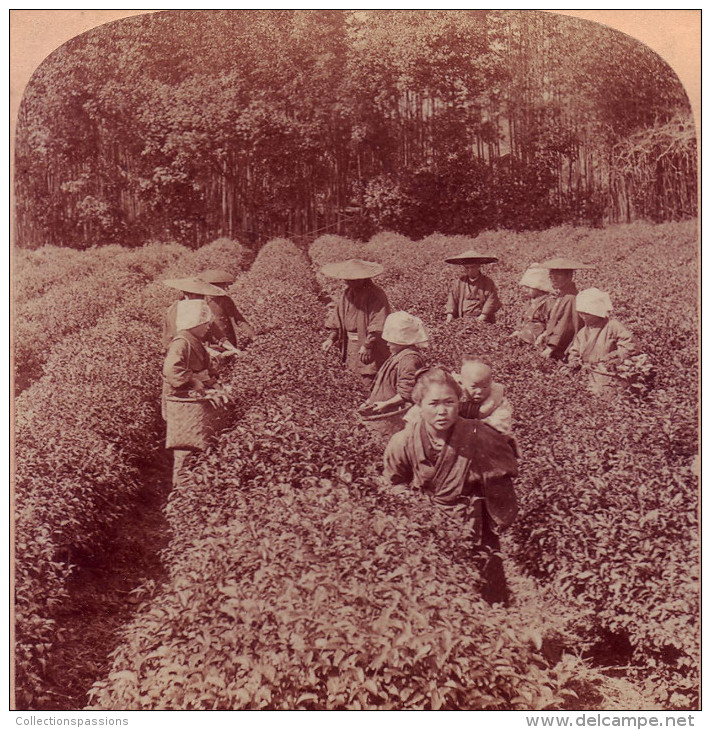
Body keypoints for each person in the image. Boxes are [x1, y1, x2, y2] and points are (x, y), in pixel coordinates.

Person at [383, 367, 518, 605]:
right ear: (420, 405)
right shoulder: (403, 441)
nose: (442, 411)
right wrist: (419, 508)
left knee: (482, 593)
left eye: (450, 402)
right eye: (434, 403)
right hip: (424, 524)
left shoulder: (478, 433)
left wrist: (486, 485)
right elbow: (394, 484)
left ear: (459, 403)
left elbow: (504, 471)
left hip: (473, 525)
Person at [162, 299, 216, 486]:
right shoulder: (182, 342)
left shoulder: (193, 340)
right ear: (194, 323)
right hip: (183, 401)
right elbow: (171, 371)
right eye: (205, 323)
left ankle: (193, 482)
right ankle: (182, 488)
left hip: (191, 400)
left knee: (196, 439)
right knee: (185, 443)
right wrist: (193, 380)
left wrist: (212, 383)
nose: (208, 327)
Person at [357, 311, 428, 440]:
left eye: (392, 341)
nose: (388, 344)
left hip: (394, 415)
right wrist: (369, 401)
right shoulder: (398, 354)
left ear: (403, 340)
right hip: (383, 409)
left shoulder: (409, 359)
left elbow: (407, 393)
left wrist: (386, 404)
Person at [321, 259, 390, 387]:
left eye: (351, 280)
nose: (347, 282)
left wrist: (368, 345)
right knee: (352, 376)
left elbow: (379, 322)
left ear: (362, 279)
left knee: (368, 376)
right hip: (350, 345)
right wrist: (331, 339)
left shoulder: (376, 295)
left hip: (369, 344)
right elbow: (338, 318)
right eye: (346, 279)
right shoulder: (347, 293)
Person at [567, 288, 637, 396]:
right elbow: (575, 350)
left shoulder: (612, 326)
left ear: (597, 312)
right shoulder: (583, 332)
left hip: (608, 374)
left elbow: (629, 346)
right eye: (581, 313)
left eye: (587, 313)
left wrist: (612, 358)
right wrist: (574, 361)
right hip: (587, 373)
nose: (583, 317)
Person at [536, 257, 593, 360]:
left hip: (563, 348)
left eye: (558, 275)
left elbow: (565, 327)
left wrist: (550, 348)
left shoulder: (570, 298)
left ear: (569, 276)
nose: (554, 279)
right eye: (551, 275)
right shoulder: (562, 296)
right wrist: (544, 334)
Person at [161, 277, 228, 351]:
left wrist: (232, 348)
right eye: (198, 296)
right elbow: (182, 338)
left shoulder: (201, 310)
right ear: (188, 295)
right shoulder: (176, 310)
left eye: (203, 296)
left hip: (199, 348)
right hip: (180, 349)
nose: (202, 299)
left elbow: (215, 331)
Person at [198, 268, 255, 351]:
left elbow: (239, 319)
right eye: (222, 285)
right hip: (211, 344)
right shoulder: (202, 302)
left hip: (228, 341)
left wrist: (253, 336)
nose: (225, 287)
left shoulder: (226, 300)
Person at [457, 356, 514, 438]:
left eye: (485, 387)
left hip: (488, 441)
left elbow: (499, 426)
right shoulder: (455, 393)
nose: (479, 391)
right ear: (461, 382)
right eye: (474, 387)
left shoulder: (498, 402)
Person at [444, 250, 501, 323]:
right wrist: (450, 315)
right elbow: (452, 298)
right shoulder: (460, 282)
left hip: (482, 319)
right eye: (467, 268)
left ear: (478, 267)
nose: (470, 270)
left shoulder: (487, 282)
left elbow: (491, 300)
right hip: (463, 318)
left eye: (473, 267)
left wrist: (482, 316)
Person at [510, 264, 555, 345]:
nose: (525, 290)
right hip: (523, 335)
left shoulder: (548, 302)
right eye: (525, 287)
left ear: (540, 288)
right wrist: (518, 330)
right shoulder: (530, 301)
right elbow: (523, 319)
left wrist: (543, 336)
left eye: (529, 288)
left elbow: (551, 323)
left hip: (537, 339)